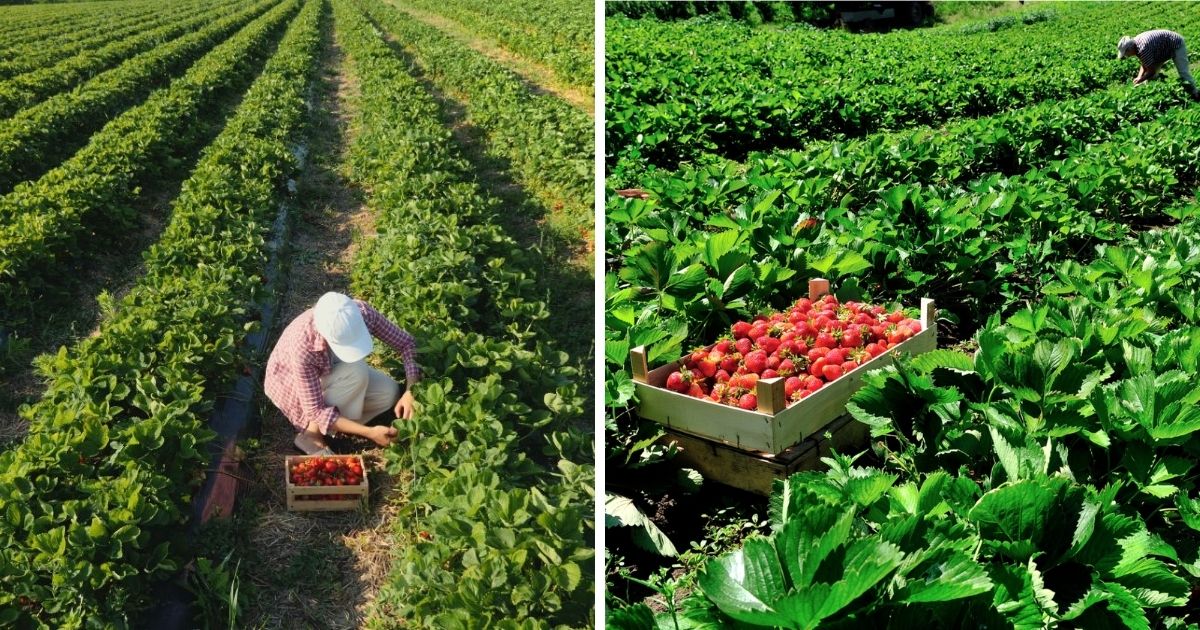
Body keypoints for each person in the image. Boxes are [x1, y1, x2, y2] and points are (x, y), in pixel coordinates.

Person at [264, 291, 421, 455]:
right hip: (290, 383)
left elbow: (407, 344)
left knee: (389, 393)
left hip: (334, 368)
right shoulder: (304, 345)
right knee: (357, 372)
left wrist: (411, 390)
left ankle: (337, 425)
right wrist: (369, 432)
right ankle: (312, 434)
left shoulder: (362, 313)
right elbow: (314, 410)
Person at [1117, 29, 1198, 98]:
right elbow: (1144, 63)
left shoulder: (1143, 48)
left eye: (1126, 53)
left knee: (1183, 72)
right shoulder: (1136, 45)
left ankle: (1195, 93)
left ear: (1130, 48)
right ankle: (1152, 93)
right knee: (1150, 77)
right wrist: (1139, 77)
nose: (1127, 56)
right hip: (1160, 50)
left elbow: (1151, 71)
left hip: (1175, 44)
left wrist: (1140, 80)